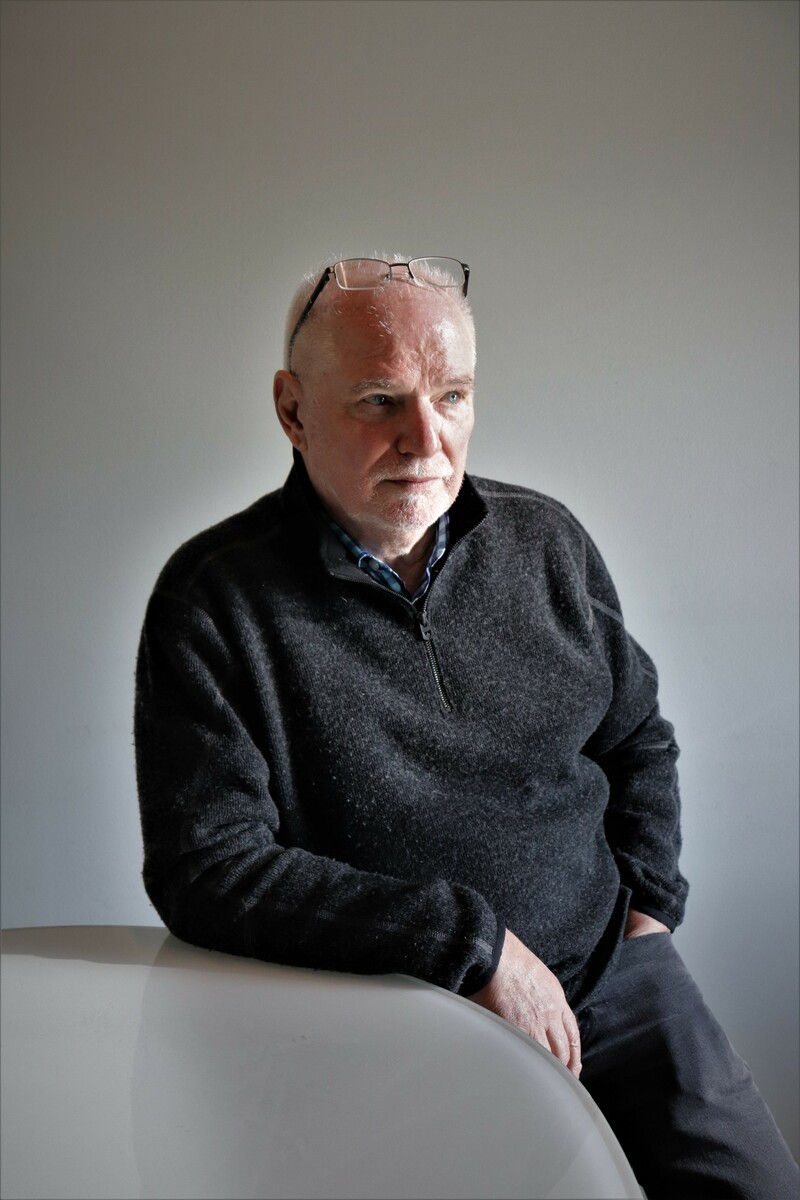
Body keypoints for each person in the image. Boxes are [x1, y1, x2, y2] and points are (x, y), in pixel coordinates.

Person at [135, 255, 799, 1198]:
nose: (426, 439)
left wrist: (650, 904)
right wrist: (467, 943)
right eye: (379, 401)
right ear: (292, 410)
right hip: (397, 1016)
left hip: (616, 974)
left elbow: (636, 736)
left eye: (451, 396)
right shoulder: (214, 599)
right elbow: (207, 868)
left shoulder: (548, 540)